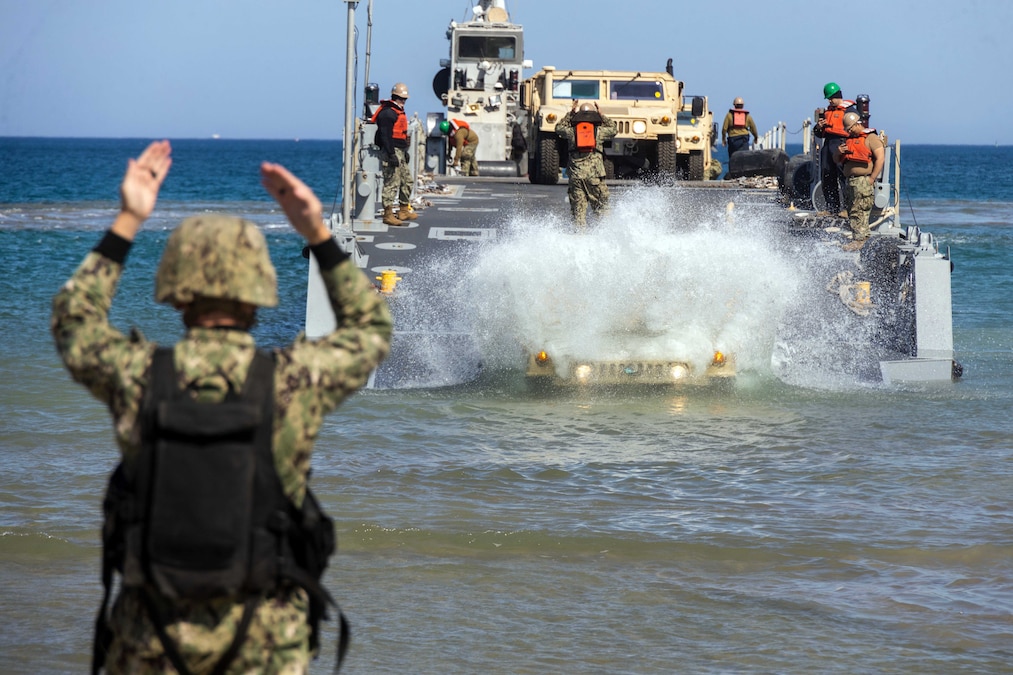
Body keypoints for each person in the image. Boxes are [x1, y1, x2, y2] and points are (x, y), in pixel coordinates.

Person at [51, 140, 393, 673]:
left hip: (150, 641)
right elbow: (372, 327)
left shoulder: (137, 375)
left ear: (176, 294)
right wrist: (317, 233)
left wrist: (128, 219)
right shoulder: (293, 381)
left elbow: (73, 319)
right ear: (258, 294)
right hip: (264, 644)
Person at [555, 100, 618, 227]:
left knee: (578, 213)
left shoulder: (572, 132)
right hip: (595, 176)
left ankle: (579, 238)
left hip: (576, 177)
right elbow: (614, 129)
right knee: (602, 210)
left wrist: (571, 113)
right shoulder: (599, 132)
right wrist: (602, 115)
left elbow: (558, 128)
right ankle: (605, 237)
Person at [832, 111, 885, 251]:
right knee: (851, 210)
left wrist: (872, 178)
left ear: (857, 124)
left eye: (850, 129)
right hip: (850, 181)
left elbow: (880, 158)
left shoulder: (871, 138)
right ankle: (859, 237)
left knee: (859, 210)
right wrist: (839, 152)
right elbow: (836, 160)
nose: (849, 132)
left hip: (863, 181)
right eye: (847, 130)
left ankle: (860, 240)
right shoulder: (848, 140)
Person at [372, 82, 417, 226]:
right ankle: (388, 214)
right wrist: (391, 154)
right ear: (394, 97)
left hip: (400, 151)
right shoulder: (388, 113)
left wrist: (404, 153)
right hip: (391, 151)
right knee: (391, 182)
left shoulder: (398, 111)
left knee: (407, 180)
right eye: (400, 98)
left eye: (404, 99)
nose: (403, 101)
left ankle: (403, 210)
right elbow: (385, 135)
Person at [813, 81, 857, 215]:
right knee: (827, 176)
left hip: (842, 143)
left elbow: (856, 128)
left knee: (843, 177)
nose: (830, 101)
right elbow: (818, 133)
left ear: (838, 95)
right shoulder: (827, 112)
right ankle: (832, 207)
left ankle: (846, 208)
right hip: (828, 144)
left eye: (831, 98)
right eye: (829, 99)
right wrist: (819, 127)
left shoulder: (849, 110)